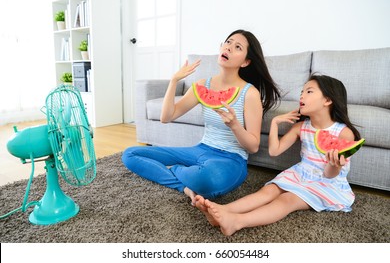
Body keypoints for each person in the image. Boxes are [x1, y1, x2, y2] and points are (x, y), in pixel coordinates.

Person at [122, 29, 280, 204]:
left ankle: (175, 170)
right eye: (228, 42)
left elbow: (253, 147)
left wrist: (235, 125)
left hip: (231, 159)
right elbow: (166, 117)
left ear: (246, 62)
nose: (228, 48)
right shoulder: (202, 85)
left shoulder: (249, 93)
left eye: (237, 47)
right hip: (200, 150)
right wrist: (173, 81)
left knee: (207, 181)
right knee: (130, 154)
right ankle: (184, 185)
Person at [195, 74, 361, 236]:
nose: (302, 95)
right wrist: (275, 122)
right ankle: (224, 210)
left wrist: (334, 164)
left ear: (328, 100)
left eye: (309, 91)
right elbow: (274, 151)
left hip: (326, 183)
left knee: (287, 200)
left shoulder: (344, 134)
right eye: (301, 92)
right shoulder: (301, 127)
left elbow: (330, 174)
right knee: (267, 191)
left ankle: (237, 222)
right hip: (301, 173)